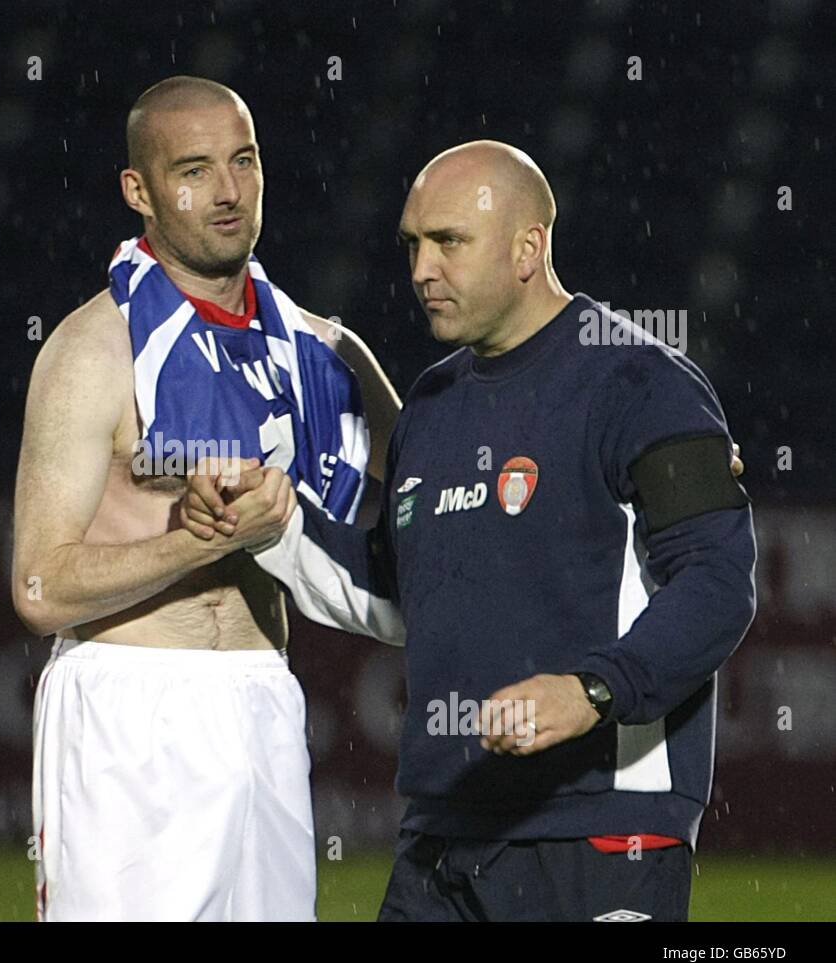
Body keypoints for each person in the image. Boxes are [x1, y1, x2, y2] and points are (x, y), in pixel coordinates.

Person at [182, 140, 756, 922]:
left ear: (529, 248)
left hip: (598, 837)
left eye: (449, 241)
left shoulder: (642, 381)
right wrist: (276, 526)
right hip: (443, 838)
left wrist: (594, 690)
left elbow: (719, 584)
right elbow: (397, 593)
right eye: (413, 244)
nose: (421, 268)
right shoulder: (431, 403)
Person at [10, 75, 400, 921]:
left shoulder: (322, 351)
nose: (227, 191)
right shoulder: (94, 350)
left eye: (244, 161)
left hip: (263, 692)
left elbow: (441, 489)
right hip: (130, 710)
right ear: (138, 191)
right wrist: (198, 540)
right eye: (193, 170)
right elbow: (39, 587)